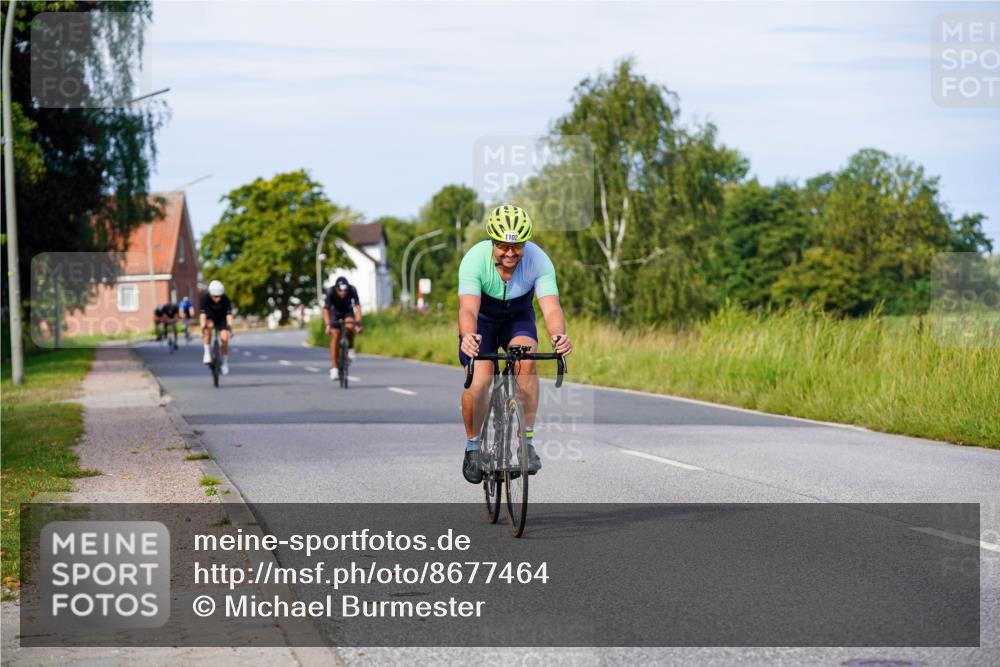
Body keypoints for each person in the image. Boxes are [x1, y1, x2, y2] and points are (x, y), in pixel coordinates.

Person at [458, 204, 573, 484]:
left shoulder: (539, 260)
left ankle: (527, 443)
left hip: (517, 318)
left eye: (517, 246)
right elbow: (468, 309)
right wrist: (469, 336)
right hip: (482, 322)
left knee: (527, 362)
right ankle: (473, 447)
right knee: (480, 381)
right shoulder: (474, 260)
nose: (510, 253)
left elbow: (551, 307)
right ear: (492, 243)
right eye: (503, 246)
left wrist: (559, 335)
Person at [323, 276, 363, 379]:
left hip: (347, 311)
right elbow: (326, 310)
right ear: (336, 289)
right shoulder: (330, 291)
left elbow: (358, 307)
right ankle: (334, 369)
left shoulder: (352, 289)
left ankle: (351, 348)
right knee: (335, 334)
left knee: (350, 326)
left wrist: (358, 323)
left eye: (345, 291)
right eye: (340, 291)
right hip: (335, 313)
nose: (343, 293)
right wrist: (328, 325)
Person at [199, 280, 234, 375]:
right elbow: (202, 316)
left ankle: (225, 362)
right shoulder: (204, 298)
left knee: (224, 338)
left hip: (221, 318)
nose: (217, 298)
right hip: (210, 317)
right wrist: (203, 328)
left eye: (219, 296)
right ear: (210, 294)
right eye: (215, 296)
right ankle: (206, 352)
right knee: (208, 327)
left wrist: (230, 328)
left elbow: (229, 316)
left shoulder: (226, 299)